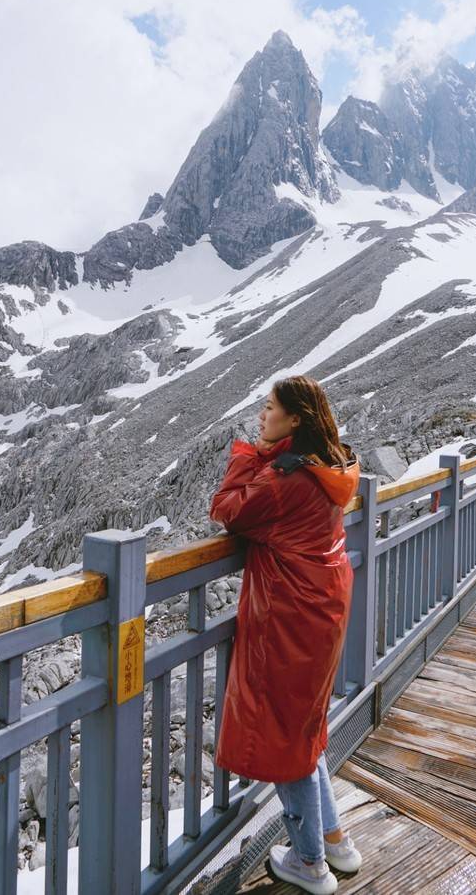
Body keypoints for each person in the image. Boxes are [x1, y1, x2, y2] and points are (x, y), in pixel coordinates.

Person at [209, 375, 363, 895]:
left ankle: (310, 862)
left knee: (282, 735)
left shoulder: (284, 481)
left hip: (290, 619)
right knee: (303, 728)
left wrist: (248, 455)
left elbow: (227, 509)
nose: (261, 415)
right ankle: (335, 839)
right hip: (322, 610)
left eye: (270, 408)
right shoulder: (326, 465)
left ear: (294, 419)